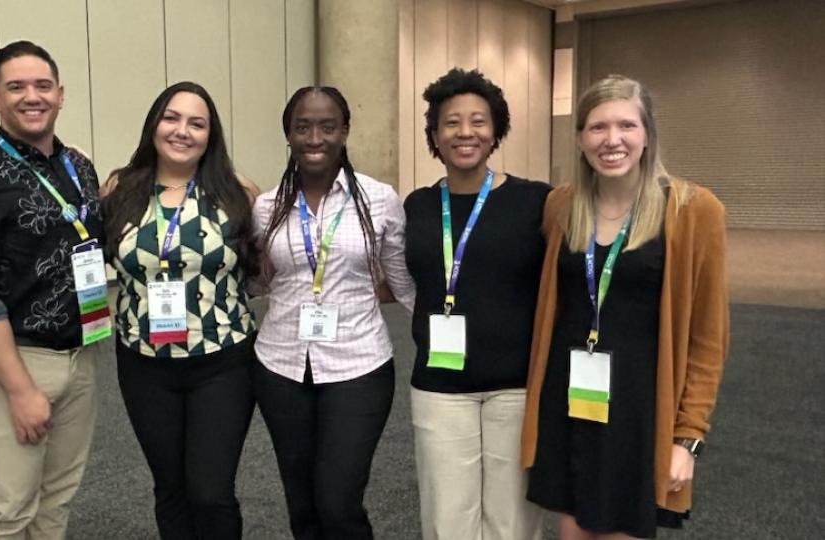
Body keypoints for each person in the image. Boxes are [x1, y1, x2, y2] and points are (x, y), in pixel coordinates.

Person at [521, 75, 730, 539]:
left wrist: (688, 439)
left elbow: (708, 339)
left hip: (639, 412)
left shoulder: (694, 211)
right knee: (572, 532)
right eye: (597, 127)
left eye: (626, 126)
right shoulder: (561, 206)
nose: (611, 140)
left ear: (647, 134)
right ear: (580, 138)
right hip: (572, 402)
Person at [0, 40, 106, 539]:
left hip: (81, 355)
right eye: (16, 87)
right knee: (9, 509)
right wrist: (19, 390)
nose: (31, 97)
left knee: (57, 498)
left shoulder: (78, 166)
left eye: (42, 86)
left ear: (60, 94)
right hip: (17, 361)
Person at [251, 86, 415, 540]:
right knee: (302, 505)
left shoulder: (378, 199)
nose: (314, 138)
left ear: (344, 131)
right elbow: (258, 282)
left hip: (358, 366)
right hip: (281, 366)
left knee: (338, 503)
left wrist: (440, 333)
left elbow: (401, 279)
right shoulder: (267, 206)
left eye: (327, 126)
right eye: (302, 127)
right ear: (288, 134)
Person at [101, 81, 261, 539]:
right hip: (144, 362)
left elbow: (262, 270)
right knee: (170, 489)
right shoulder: (119, 190)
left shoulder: (238, 193)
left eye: (197, 123)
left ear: (211, 135)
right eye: (171, 118)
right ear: (153, 124)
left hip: (222, 361)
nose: (182, 131)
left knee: (211, 492)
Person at [403, 68, 549, 540]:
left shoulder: (536, 201)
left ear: (496, 130)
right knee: (447, 523)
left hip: (516, 387)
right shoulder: (418, 206)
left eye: (478, 121)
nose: (465, 132)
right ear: (434, 135)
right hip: (440, 387)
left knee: (512, 524)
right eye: (451, 122)